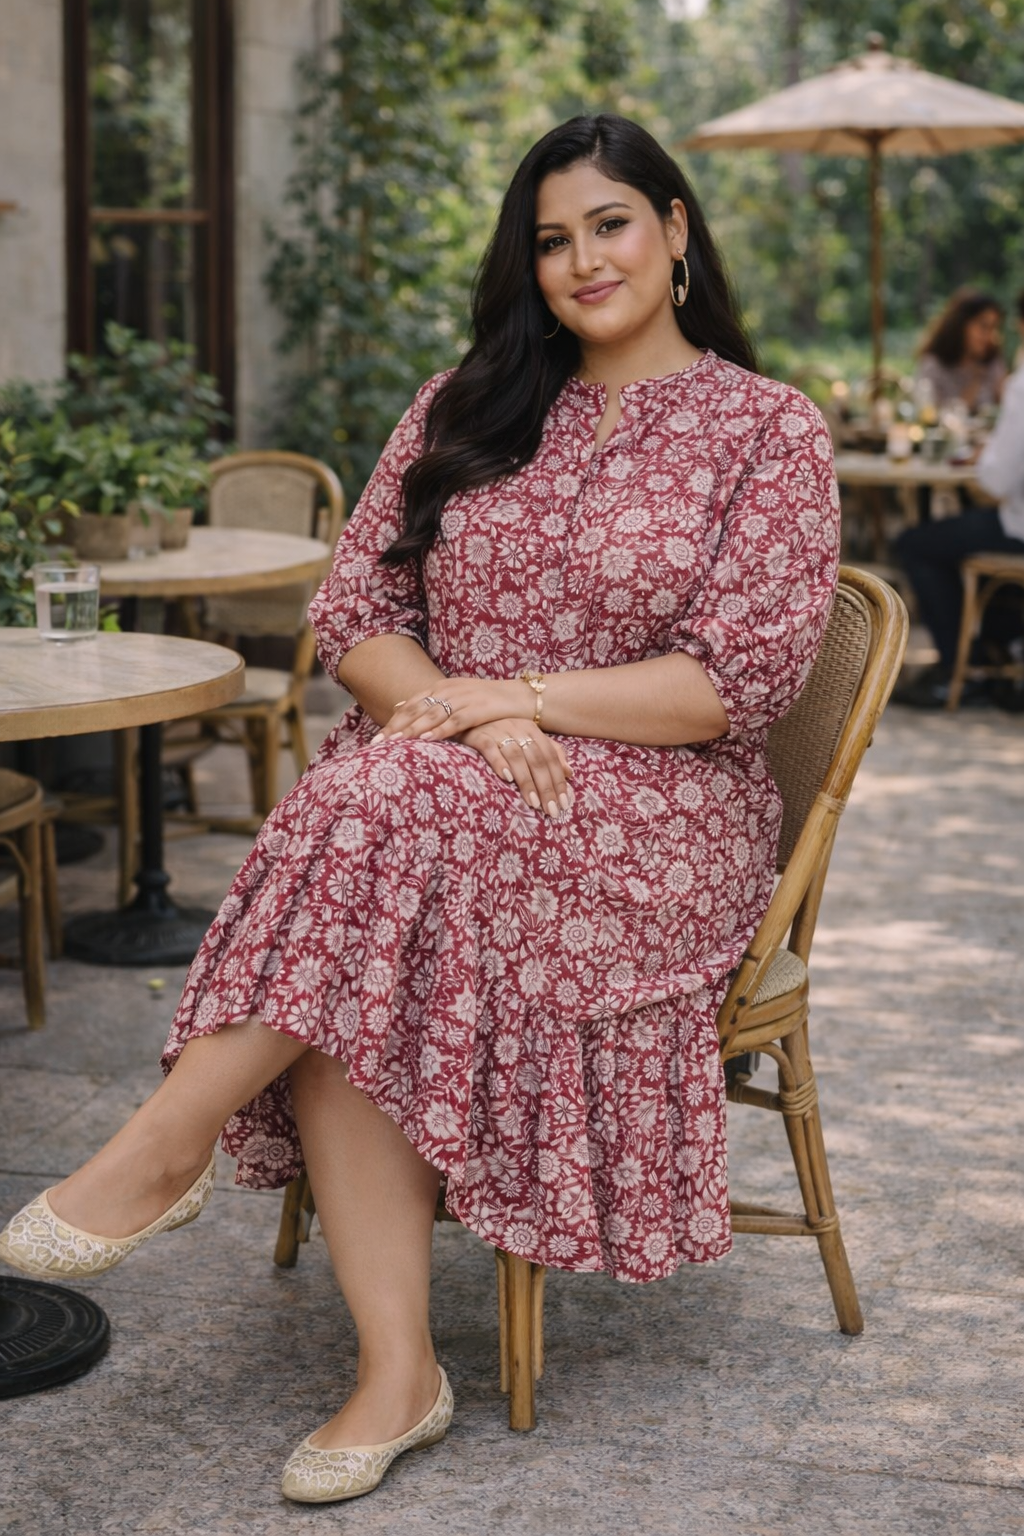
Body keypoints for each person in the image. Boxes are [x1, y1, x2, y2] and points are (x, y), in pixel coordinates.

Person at [0, 115, 840, 1504]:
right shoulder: (467, 402)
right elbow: (358, 612)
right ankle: (398, 1371)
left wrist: (506, 699)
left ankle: (170, 1143)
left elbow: (729, 682)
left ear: (679, 230)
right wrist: (446, 712)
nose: (582, 261)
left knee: (383, 821)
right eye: (551, 240)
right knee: (391, 850)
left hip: (660, 821)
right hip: (445, 774)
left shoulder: (769, 431)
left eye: (612, 224)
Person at [895, 287, 1024, 708]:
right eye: (984, 326)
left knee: (915, 544)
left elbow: (997, 481)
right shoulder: (944, 364)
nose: (993, 336)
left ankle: (958, 663)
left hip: (1016, 524)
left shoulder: (1017, 381)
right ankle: (985, 650)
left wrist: (988, 457)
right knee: (951, 537)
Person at [915, 288, 1006, 414]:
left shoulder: (992, 362)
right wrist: (975, 384)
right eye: (983, 327)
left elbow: (1005, 410)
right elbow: (928, 415)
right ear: (961, 324)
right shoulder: (933, 365)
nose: (989, 336)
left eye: (993, 328)